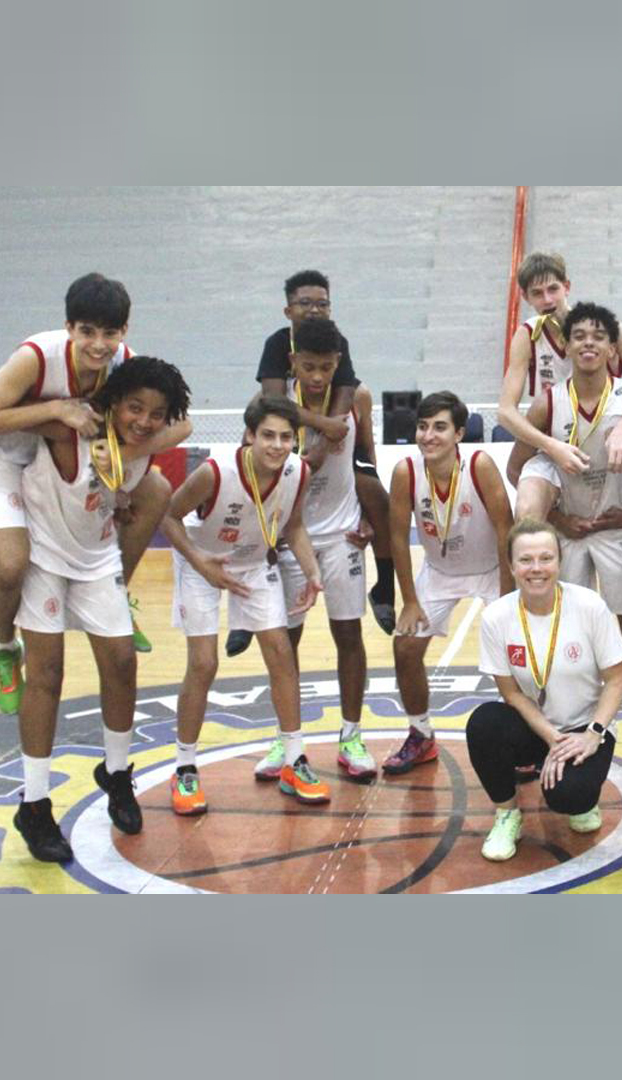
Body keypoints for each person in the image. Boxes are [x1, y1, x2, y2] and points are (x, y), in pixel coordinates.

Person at [0, 274, 189, 713]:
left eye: (109, 333)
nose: (99, 344)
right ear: (69, 327)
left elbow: (180, 423)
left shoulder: (124, 363)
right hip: (9, 459)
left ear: (124, 331)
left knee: (156, 490)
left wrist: (127, 452)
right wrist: (56, 409)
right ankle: (4, 648)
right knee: (11, 565)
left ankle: (117, 593)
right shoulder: (37, 357)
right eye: (88, 332)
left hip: (67, 458)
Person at [11, 356, 191, 862]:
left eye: (157, 413)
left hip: (97, 561)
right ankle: (35, 802)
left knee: (122, 664)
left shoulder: (145, 440)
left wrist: (149, 429)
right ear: (111, 404)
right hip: (45, 558)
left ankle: (115, 773)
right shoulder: (68, 432)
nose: (144, 421)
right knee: (46, 674)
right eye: (134, 408)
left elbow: (185, 421)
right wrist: (60, 409)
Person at [505, 302, 622, 774]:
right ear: (568, 346)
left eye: (599, 336)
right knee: (557, 636)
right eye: (580, 336)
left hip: (618, 526)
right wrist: (555, 517)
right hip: (569, 529)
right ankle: (550, 734)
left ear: (612, 346)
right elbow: (519, 468)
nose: (589, 343)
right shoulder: (549, 403)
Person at [161, 397, 324, 815]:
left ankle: (294, 761)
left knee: (281, 655)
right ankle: (184, 769)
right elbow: (168, 516)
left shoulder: (298, 471)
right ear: (250, 435)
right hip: (202, 559)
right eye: (268, 435)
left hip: (252, 564)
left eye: (286, 437)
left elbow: (294, 525)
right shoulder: (215, 472)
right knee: (204, 663)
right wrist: (200, 563)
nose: (277, 444)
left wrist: (311, 572)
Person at [468, 518, 622, 861]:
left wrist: (593, 733)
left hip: (586, 728)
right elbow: (511, 693)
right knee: (483, 724)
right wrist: (550, 737)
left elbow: (617, 678)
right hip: (534, 727)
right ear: (511, 566)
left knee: (570, 798)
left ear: (559, 561)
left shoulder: (589, 606)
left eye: (546, 558)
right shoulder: (497, 617)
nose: (536, 568)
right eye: (525, 560)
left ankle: (580, 790)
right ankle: (508, 814)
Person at [264, 318, 378, 782]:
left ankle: (351, 735)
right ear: (292, 363)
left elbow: (365, 458)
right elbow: (255, 475)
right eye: (308, 366)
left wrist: (370, 515)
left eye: (326, 368)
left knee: (348, 636)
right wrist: (264, 536)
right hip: (291, 538)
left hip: (343, 534)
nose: (316, 377)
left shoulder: (358, 401)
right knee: (284, 642)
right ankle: (285, 737)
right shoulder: (271, 410)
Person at [253, 269, 395, 635]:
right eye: (305, 303)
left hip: (333, 446)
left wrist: (328, 433)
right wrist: (322, 426)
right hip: (288, 441)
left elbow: (346, 400)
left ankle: (384, 585)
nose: (314, 310)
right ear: (288, 311)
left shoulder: (339, 343)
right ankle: (250, 591)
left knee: (378, 497)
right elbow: (271, 401)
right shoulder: (275, 344)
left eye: (322, 303)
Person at [385, 391, 514, 773]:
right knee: (405, 648)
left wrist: (508, 597)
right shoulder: (406, 471)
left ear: (459, 434)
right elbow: (395, 539)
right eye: (423, 427)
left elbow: (506, 528)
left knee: (516, 653)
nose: (428, 436)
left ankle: (524, 736)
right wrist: (408, 600)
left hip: (491, 568)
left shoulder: (480, 465)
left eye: (439, 427)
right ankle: (421, 734)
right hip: (440, 572)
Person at [495, 252, 622, 520]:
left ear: (567, 286)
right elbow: (505, 411)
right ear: (525, 298)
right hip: (560, 441)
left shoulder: (606, 327)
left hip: (609, 441)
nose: (548, 300)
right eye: (537, 293)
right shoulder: (527, 336)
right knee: (528, 502)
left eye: (553, 289)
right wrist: (551, 446)